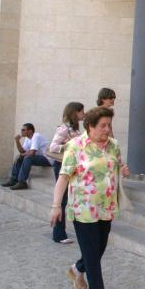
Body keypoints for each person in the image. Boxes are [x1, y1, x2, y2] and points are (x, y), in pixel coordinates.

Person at [49, 107, 130, 289]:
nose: (107, 129)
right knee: (92, 252)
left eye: (109, 125)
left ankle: (77, 269)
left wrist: (123, 170)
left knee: (100, 247)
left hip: (106, 206)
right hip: (83, 208)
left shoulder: (113, 145)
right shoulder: (75, 146)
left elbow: (118, 165)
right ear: (90, 126)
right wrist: (56, 206)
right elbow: (63, 177)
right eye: (103, 125)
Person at [49, 102, 84, 244]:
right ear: (75, 112)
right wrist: (68, 146)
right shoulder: (64, 128)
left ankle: (61, 232)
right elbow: (53, 146)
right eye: (81, 111)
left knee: (67, 199)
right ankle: (58, 234)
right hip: (62, 165)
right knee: (62, 200)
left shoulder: (75, 128)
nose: (83, 114)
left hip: (71, 166)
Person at [2, 123, 52, 190]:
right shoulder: (27, 138)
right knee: (20, 158)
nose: (21, 131)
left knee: (28, 158)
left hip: (48, 159)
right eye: (21, 130)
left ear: (30, 131)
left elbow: (32, 152)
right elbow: (22, 151)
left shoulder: (36, 136)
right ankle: (13, 180)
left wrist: (21, 155)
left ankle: (22, 182)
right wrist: (17, 141)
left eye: (23, 130)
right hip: (39, 158)